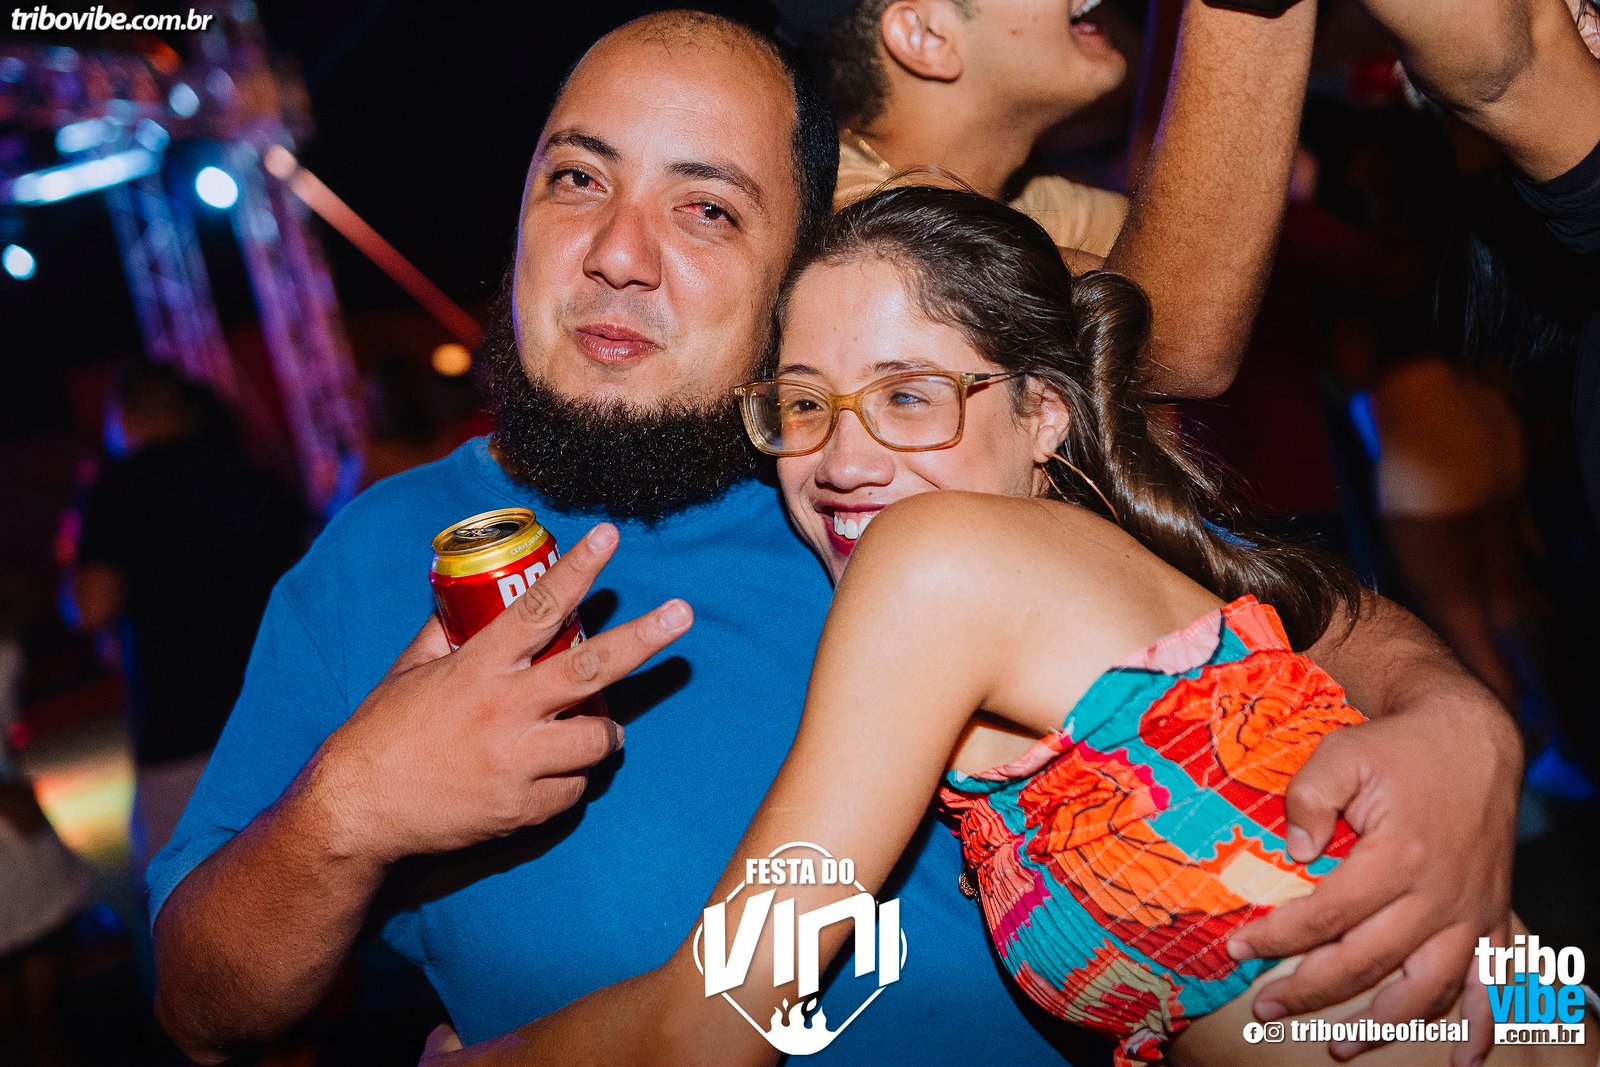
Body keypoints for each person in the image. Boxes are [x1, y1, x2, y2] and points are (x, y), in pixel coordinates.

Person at [152, 10, 1519, 1067]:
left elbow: (1272, 612)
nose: (619, 249)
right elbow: (202, 1011)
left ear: (793, 267)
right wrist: (350, 811)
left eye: (706, 207)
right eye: (576, 178)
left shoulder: (911, 482)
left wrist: (1457, 721)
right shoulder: (373, 564)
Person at [466, 184, 1597, 1067]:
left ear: (1043, 414)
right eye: (805, 403)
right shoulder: (1065, 580)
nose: (842, 459)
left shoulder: (936, 560)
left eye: (909, 396)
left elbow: (713, 1020)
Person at [779, 0, 1309, 399]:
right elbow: (1170, 342)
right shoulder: (837, 215)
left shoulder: (1035, 203)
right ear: (926, 35)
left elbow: (1183, 262)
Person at [72, 363, 309, 877]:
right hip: (283, 712)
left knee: (182, 890)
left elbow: (93, 605)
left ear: (127, 415)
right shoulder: (252, 474)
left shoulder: (122, 484)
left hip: (183, 730)